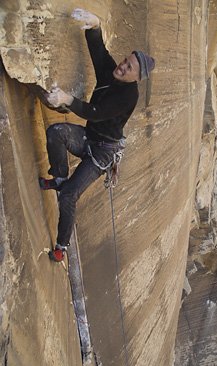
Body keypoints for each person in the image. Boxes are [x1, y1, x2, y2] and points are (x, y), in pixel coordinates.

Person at [40, 9, 155, 262]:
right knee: (56, 132)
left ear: (138, 78)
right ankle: (58, 177)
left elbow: (96, 112)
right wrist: (95, 26)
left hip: (102, 152)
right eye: (126, 61)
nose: (123, 66)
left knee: (70, 195)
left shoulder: (128, 97)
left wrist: (66, 99)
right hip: (90, 138)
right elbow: (99, 52)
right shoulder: (112, 74)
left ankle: (61, 247)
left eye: (129, 68)